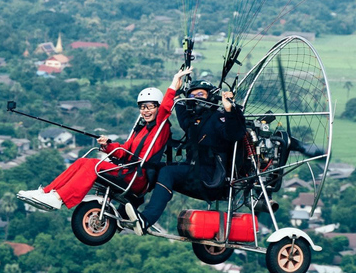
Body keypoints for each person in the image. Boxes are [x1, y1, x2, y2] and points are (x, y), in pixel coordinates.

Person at [16, 68, 191, 211]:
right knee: (82, 162)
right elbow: (125, 151)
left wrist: (174, 84)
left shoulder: (161, 127)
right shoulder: (141, 129)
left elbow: (166, 108)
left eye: (150, 107)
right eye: (142, 107)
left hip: (136, 177)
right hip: (127, 170)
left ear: (158, 107)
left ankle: (59, 198)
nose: (145, 111)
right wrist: (108, 146)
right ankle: (47, 192)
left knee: (93, 166)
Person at [126, 78, 247, 235]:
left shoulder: (218, 118)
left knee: (168, 172)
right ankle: (126, 209)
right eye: (192, 95)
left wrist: (230, 110)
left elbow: (235, 134)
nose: (195, 98)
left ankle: (147, 220)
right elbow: (179, 107)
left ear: (210, 96)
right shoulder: (193, 121)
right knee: (151, 167)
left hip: (211, 178)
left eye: (200, 94)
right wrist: (176, 88)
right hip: (194, 170)